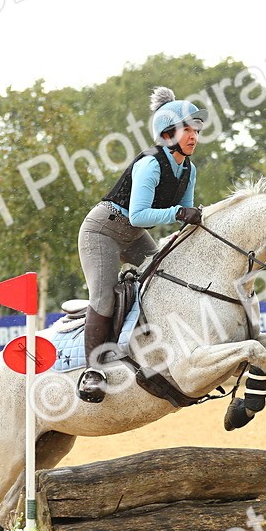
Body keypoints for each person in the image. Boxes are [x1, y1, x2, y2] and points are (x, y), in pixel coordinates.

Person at [75, 86, 207, 403]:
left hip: (133, 234)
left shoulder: (188, 170)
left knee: (168, 278)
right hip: (103, 231)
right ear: (166, 134)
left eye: (196, 129)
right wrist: (178, 213)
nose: (194, 136)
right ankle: (93, 371)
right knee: (104, 296)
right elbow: (138, 215)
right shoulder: (149, 164)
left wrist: (192, 220)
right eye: (186, 129)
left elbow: (184, 216)